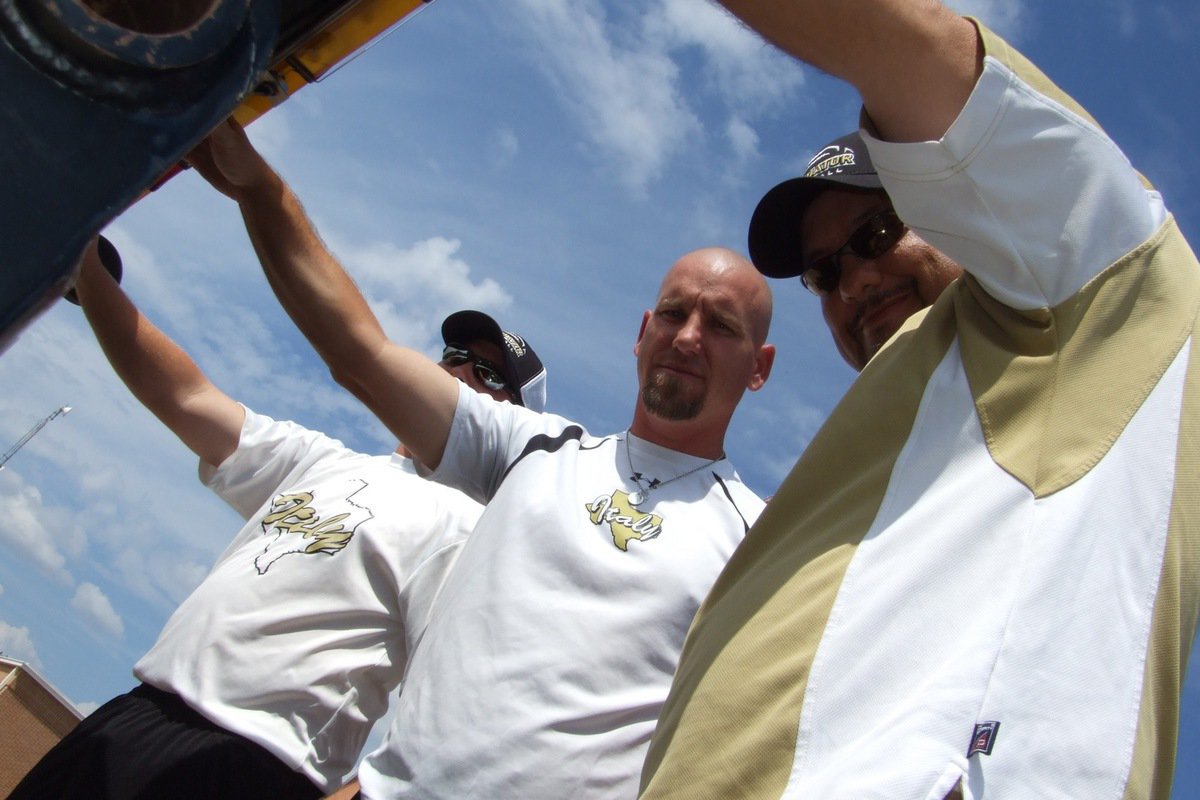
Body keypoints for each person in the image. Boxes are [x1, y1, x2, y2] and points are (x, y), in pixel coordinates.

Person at [639, 3, 1199, 799]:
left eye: (878, 233)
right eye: (825, 274)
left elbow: (904, 49)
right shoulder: (907, 436)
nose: (855, 281)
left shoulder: (1092, 287)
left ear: (952, 203)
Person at [188, 120, 776, 798]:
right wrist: (260, 190)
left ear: (758, 368)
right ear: (643, 333)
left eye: (722, 326)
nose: (689, 337)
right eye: (675, 314)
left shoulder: (760, 541)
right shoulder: (538, 448)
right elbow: (362, 355)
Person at [9, 240, 547, 799]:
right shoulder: (325, 461)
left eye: (486, 372)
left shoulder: (475, 537)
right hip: (133, 720)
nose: (459, 371)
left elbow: (454, 723)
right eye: (455, 353)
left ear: (512, 422)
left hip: (254, 769)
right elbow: (188, 397)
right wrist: (89, 273)